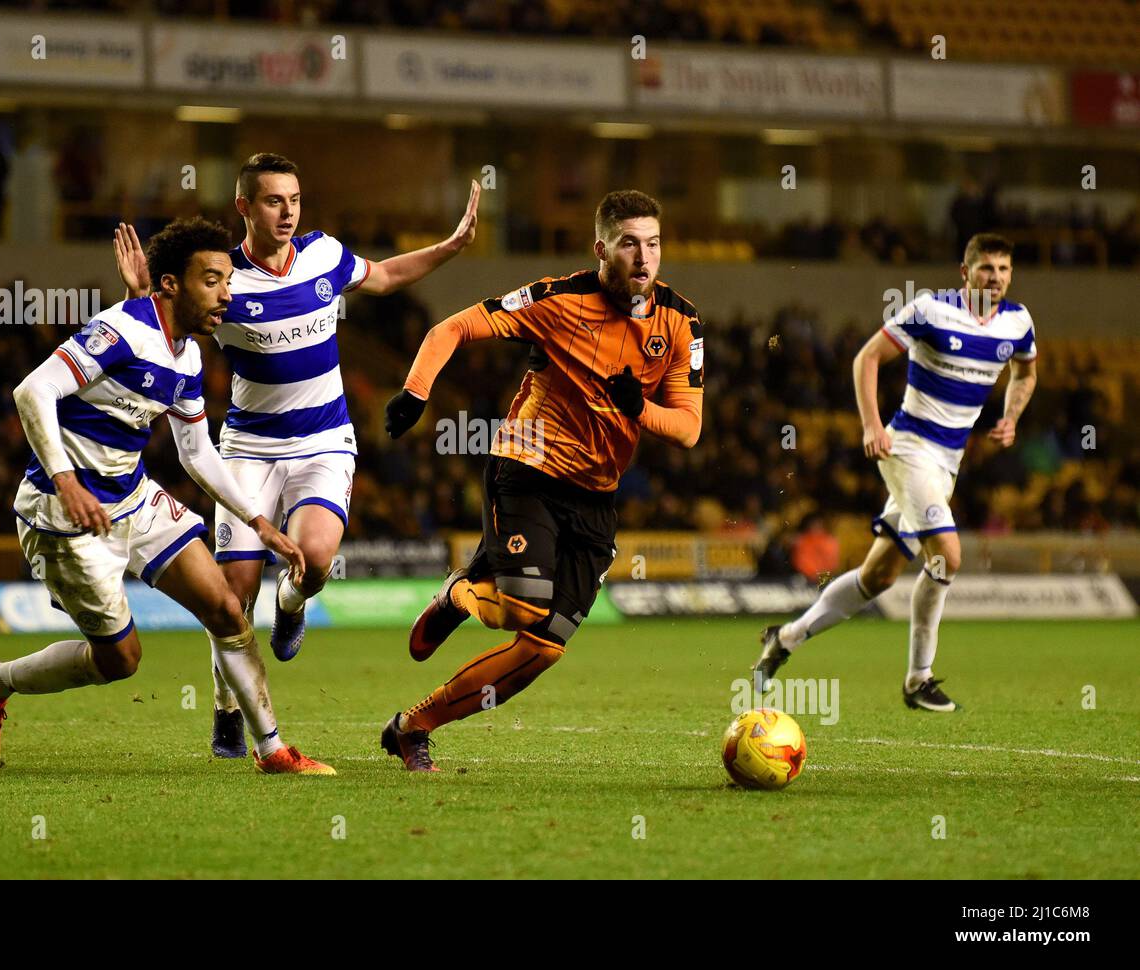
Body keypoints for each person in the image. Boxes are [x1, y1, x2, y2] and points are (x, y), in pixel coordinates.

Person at [114, 152, 480, 758]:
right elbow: (162, 326)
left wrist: (449, 247)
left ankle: (290, 605)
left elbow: (384, 276)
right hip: (248, 449)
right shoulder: (221, 280)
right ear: (244, 207)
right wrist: (137, 293)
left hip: (323, 441)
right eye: (272, 201)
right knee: (232, 596)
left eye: (295, 200)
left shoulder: (324, 256)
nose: (287, 213)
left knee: (311, 558)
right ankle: (228, 710)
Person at [0, 217, 332, 775]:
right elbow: (32, 389)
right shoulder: (122, 329)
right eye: (212, 281)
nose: (226, 295)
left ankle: (272, 751)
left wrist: (260, 522)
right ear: (171, 284)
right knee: (121, 661)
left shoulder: (186, 356)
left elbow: (197, 452)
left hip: (132, 500)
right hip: (64, 515)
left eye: (229, 281)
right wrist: (65, 479)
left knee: (227, 609)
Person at [379, 189, 703, 771]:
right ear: (601, 248)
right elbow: (453, 328)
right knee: (525, 611)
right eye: (629, 243)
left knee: (543, 648)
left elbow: (687, 429)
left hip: (597, 498)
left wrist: (638, 411)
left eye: (653, 244)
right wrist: (416, 391)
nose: (643, 258)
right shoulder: (557, 299)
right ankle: (459, 593)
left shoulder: (682, 322)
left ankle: (414, 725)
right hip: (526, 468)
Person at [752, 233, 1038, 712]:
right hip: (907, 448)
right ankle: (918, 679)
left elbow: (1026, 372)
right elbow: (867, 358)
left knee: (878, 576)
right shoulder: (929, 309)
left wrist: (1011, 417)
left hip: (947, 463)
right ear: (964, 272)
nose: (996, 277)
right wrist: (872, 425)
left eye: (1004, 269)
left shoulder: (1017, 322)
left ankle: (785, 637)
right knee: (947, 554)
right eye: (986, 268)